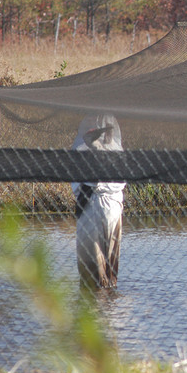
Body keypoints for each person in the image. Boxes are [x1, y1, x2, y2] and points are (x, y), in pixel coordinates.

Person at [71, 114, 125, 288]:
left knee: (92, 278)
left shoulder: (90, 124)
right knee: (109, 273)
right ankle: (109, 307)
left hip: (93, 203)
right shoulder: (114, 138)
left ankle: (96, 309)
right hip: (114, 204)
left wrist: (93, 144)